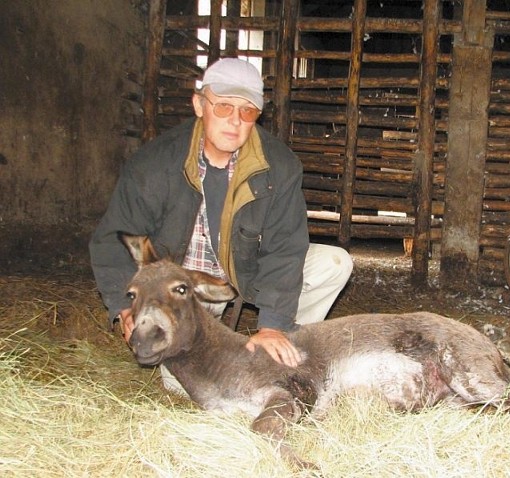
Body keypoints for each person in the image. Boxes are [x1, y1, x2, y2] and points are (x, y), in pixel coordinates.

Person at [89, 58, 353, 378]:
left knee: (335, 263)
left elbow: (284, 247)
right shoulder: (154, 164)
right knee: (182, 383)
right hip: (182, 286)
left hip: (246, 271)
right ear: (200, 104)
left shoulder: (280, 166)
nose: (235, 121)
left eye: (247, 111)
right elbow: (115, 237)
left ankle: (286, 352)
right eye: (224, 107)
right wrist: (125, 305)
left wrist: (273, 325)